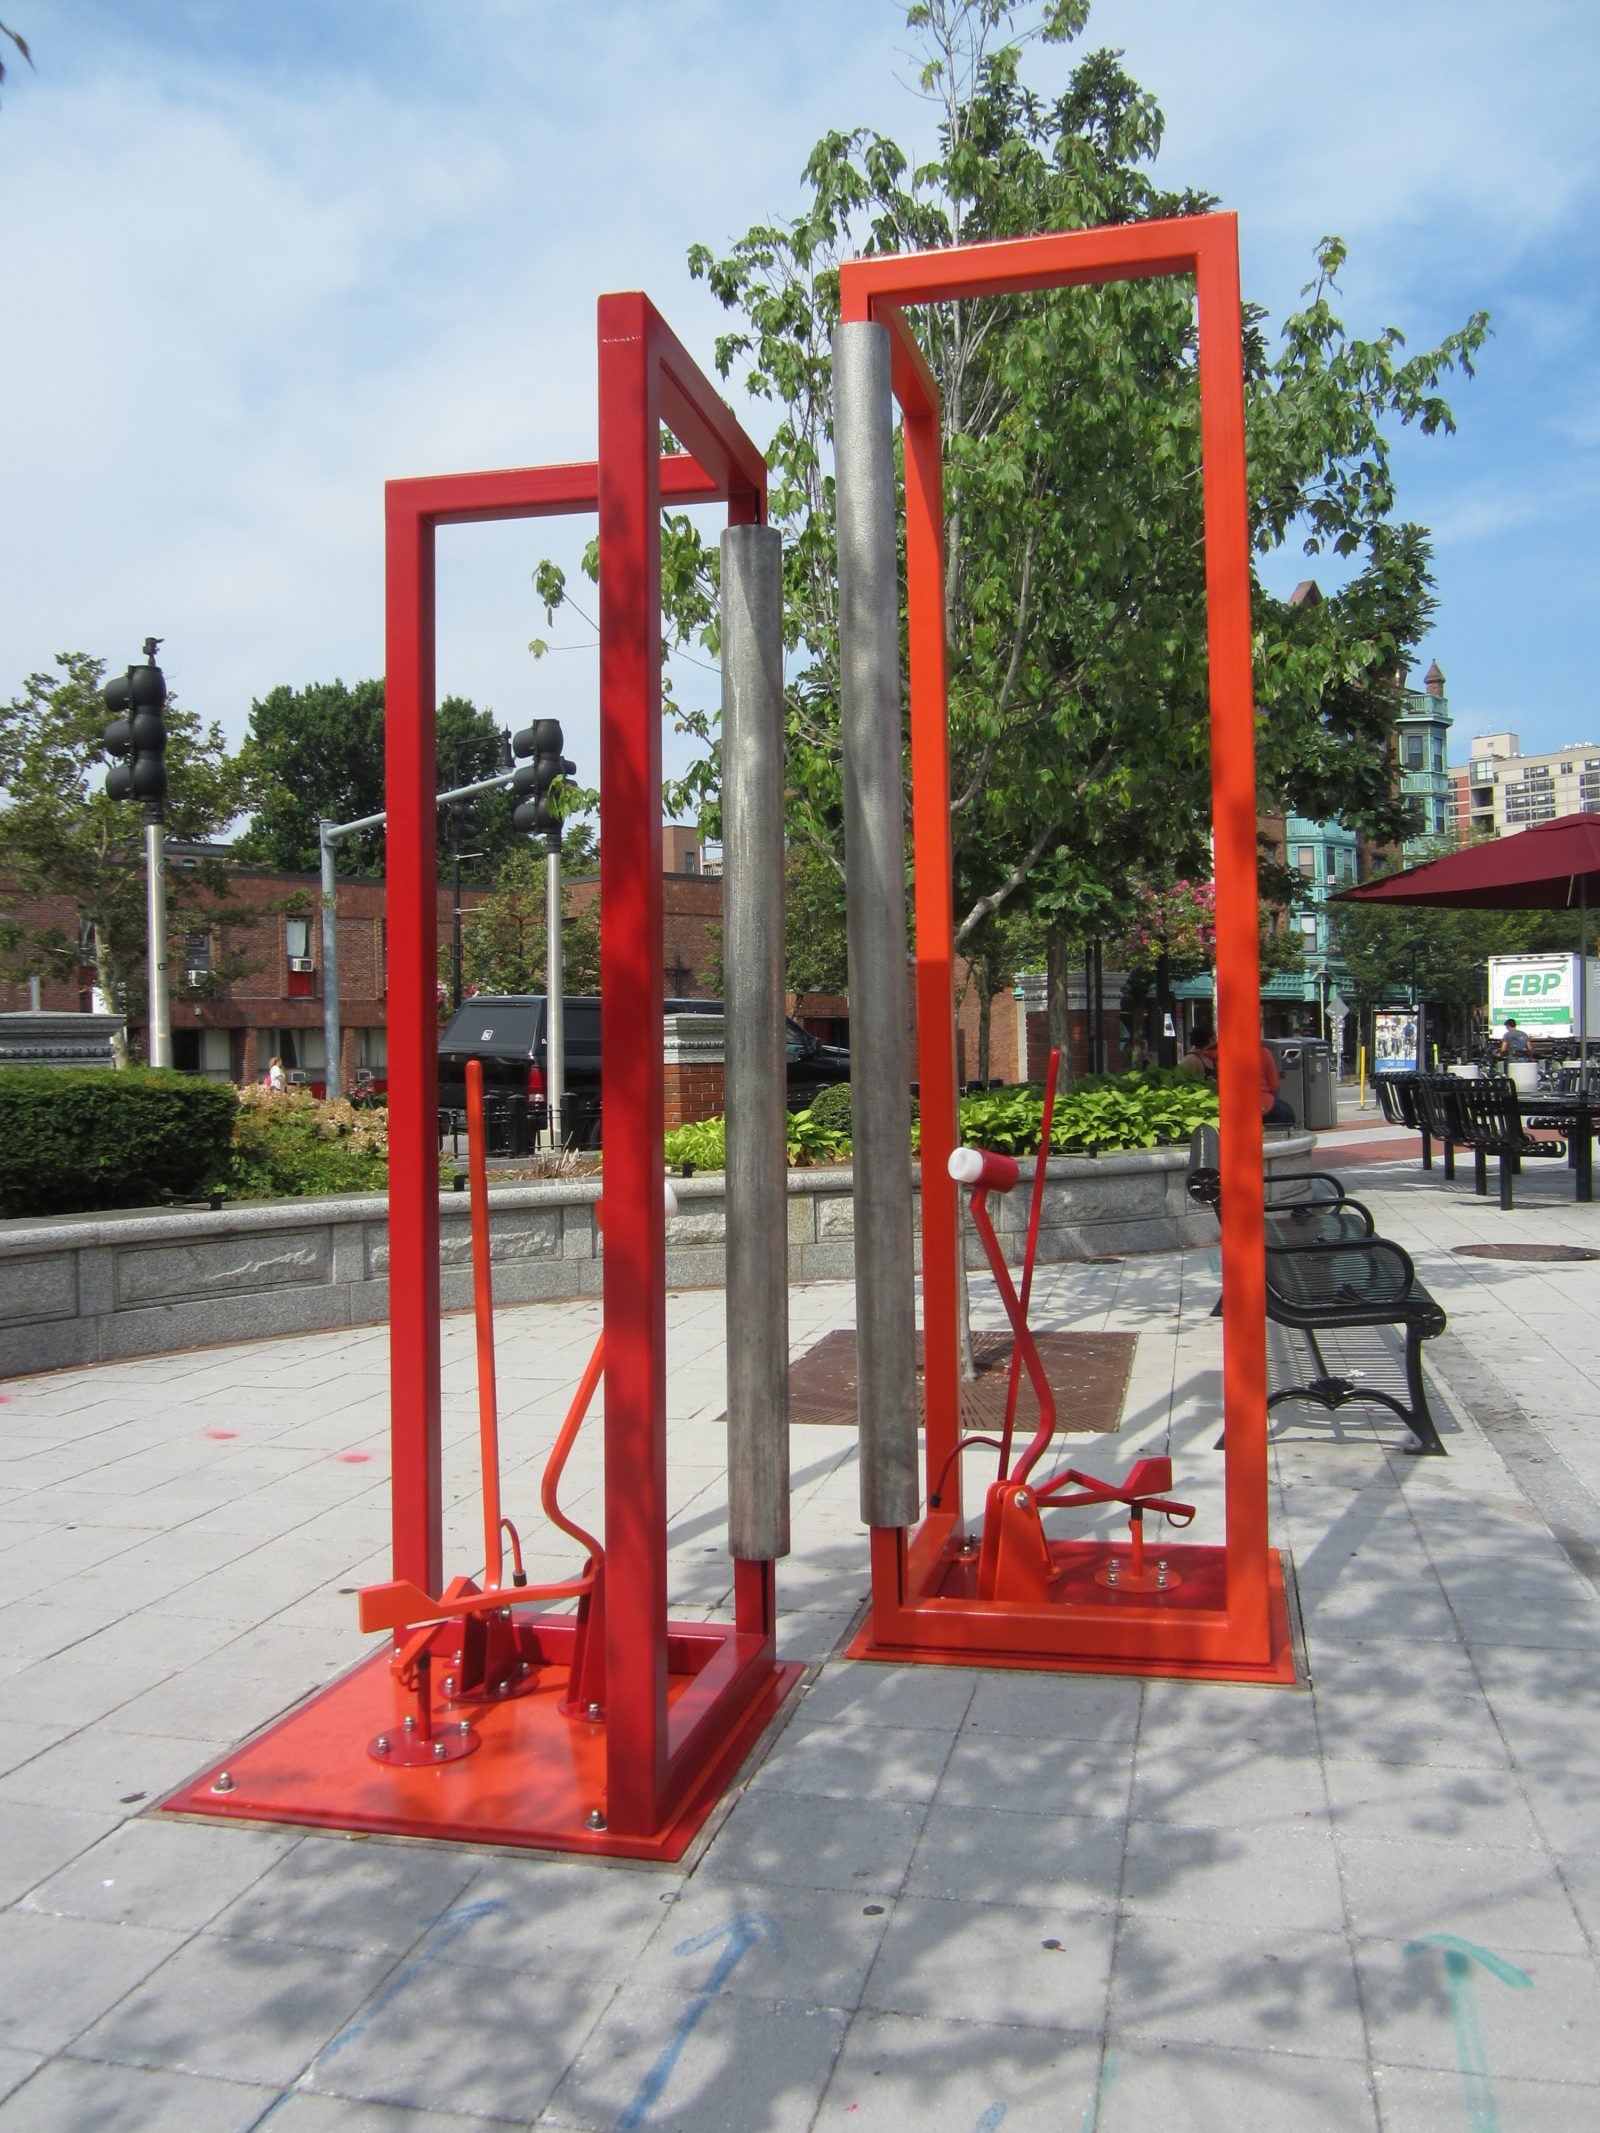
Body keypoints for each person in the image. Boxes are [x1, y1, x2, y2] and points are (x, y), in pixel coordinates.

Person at [1180, 1019, 1295, 1125]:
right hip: (1263, 1105)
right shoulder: (1263, 1052)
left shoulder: (1221, 1052)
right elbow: (1274, 1085)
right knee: (1287, 1113)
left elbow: (1206, 1050)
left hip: (1231, 1108)